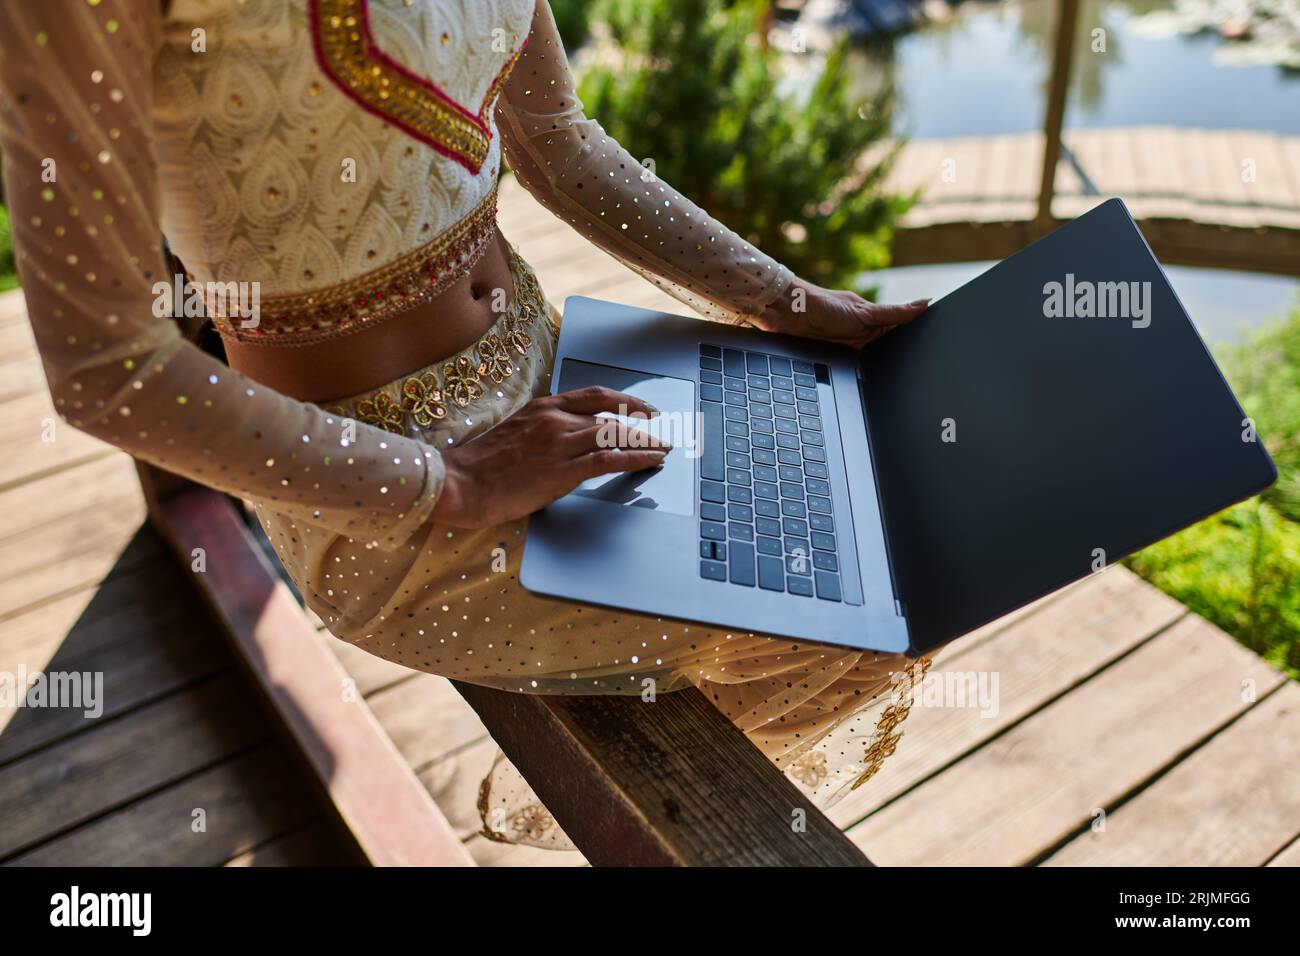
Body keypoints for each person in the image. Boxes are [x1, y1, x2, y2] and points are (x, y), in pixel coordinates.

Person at [0, 0, 931, 850]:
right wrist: (455, 482)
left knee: (880, 499)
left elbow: (559, 143)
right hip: (385, 502)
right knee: (854, 594)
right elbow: (105, 371)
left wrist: (788, 300)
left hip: (556, 381)